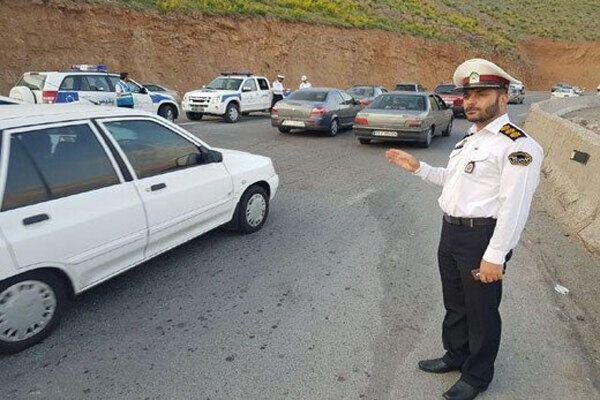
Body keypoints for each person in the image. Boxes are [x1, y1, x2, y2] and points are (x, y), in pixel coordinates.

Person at [386, 59, 543, 400]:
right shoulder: (469, 139)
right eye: (468, 95)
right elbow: (454, 181)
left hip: (481, 238)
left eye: (481, 94)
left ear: (503, 97)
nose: (470, 101)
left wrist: (496, 255)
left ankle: (477, 375)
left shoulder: (517, 145)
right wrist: (419, 168)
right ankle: (456, 354)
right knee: (455, 303)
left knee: (481, 310)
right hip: (452, 232)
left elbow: (515, 206)